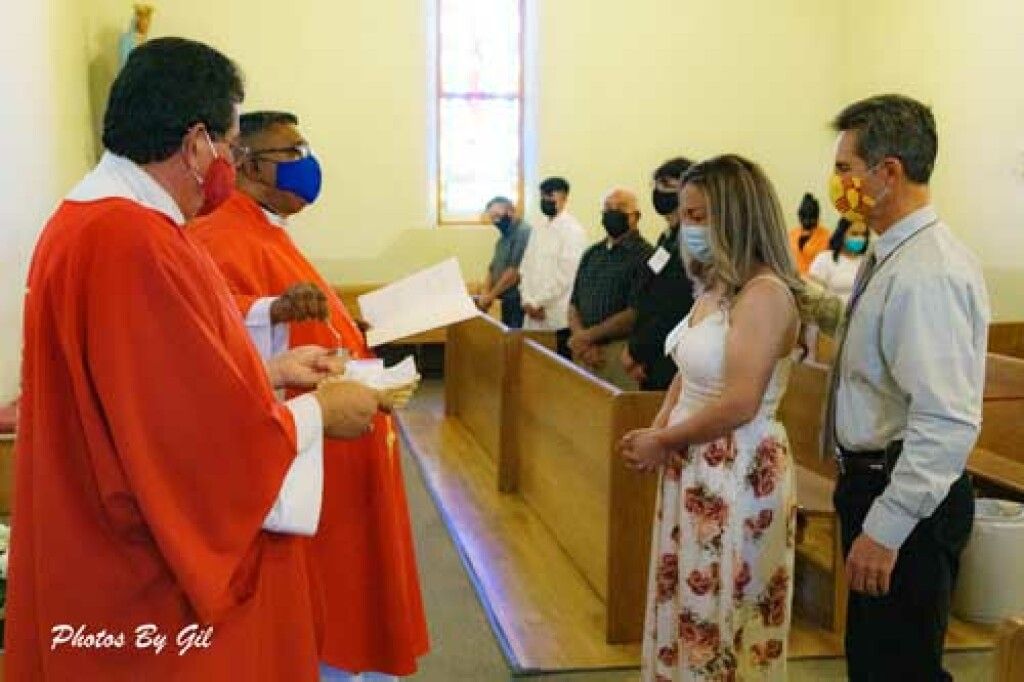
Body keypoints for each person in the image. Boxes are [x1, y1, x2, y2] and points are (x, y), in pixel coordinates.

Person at [6, 38, 384, 681]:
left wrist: (268, 372)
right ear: (196, 143)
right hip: (146, 581)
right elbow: (195, 448)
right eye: (229, 148)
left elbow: (147, 385)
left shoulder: (91, 219)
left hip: (91, 533)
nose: (228, 169)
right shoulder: (130, 238)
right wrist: (320, 413)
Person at [190, 111, 429, 681]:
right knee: (325, 612)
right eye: (292, 153)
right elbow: (213, 342)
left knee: (350, 601)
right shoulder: (218, 236)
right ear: (246, 163)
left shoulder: (265, 229)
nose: (307, 164)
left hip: (337, 439)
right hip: (308, 457)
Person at [815, 94, 989, 681]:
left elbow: (946, 422)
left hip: (904, 496)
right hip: (875, 485)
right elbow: (878, 349)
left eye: (845, 169)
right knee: (875, 663)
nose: (837, 184)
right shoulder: (894, 252)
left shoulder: (928, 272)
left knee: (901, 669)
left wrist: (887, 527)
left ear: (887, 172)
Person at [618, 155, 801, 681]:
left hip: (735, 466)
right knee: (686, 603)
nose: (688, 227)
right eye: (685, 215)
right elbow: (688, 369)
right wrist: (661, 428)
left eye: (698, 216)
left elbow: (741, 400)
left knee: (722, 611)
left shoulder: (764, 295)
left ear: (736, 215)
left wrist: (666, 440)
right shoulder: (717, 286)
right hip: (697, 459)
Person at [567, 188, 654, 390]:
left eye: (620, 208)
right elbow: (574, 303)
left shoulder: (646, 256)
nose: (612, 212)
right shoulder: (592, 253)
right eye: (607, 208)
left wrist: (587, 337)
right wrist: (581, 340)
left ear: (635, 217)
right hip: (583, 351)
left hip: (618, 353)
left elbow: (634, 313)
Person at [623, 157, 696, 390]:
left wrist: (638, 351)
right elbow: (649, 293)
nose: (660, 192)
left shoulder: (692, 242)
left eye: (667, 185)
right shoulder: (666, 238)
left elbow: (673, 305)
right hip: (649, 354)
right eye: (657, 185)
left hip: (669, 355)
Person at [518, 176, 587, 357]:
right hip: (531, 314)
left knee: (557, 366)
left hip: (556, 315)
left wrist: (539, 302)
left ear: (564, 198)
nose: (545, 200)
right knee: (531, 363)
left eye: (550, 196)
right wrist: (527, 300)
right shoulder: (538, 228)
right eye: (542, 196)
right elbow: (525, 266)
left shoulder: (573, 230)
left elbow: (567, 275)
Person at [478, 196, 531, 328]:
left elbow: (514, 273)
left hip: (519, 303)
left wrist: (490, 297)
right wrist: (485, 292)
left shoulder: (523, 233)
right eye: (492, 218)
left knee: (515, 338)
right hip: (506, 302)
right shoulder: (503, 239)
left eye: (497, 216)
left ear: (511, 211)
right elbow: (492, 268)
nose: (495, 221)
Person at [807, 218, 870, 304]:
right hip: (833, 311)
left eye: (863, 235)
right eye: (854, 234)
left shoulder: (867, 261)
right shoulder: (824, 258)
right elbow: (813, 292)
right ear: (842, 234)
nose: (860, 238)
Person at [788, 192, 830, 274]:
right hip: (794, 278)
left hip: (817, 279)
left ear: (817, 217)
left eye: (811, 218)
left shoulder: (827, 236)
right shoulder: (791, 235)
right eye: (804, 217)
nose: (807, 221)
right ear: (799, 217)